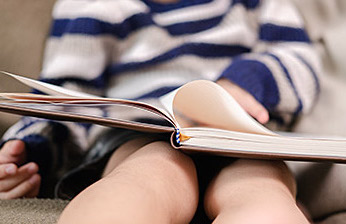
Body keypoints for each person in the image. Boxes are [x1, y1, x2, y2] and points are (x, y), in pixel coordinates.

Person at [0, 0, 321, 223]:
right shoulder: (89, 6)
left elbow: (301, 60)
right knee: (148, 175)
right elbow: (64, 95)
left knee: (261, 190)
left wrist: (247, 82)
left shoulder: (254, 5)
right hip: (141, 136)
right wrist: (30, 151)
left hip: (239, 139)